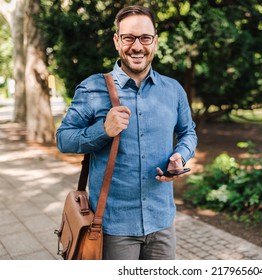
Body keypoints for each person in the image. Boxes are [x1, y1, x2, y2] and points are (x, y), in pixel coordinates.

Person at [56, 5, 197, 260]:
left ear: (154, 41)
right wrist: (103, 130)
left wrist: (181, 156)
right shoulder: (92, 88)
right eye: (128, 37)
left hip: (162, 223)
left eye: (145, 38)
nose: (137, 46)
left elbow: (189, 132)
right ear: (116, 41)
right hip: (113, 228)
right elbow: (63, 139)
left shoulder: (173, 90)